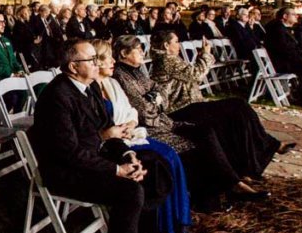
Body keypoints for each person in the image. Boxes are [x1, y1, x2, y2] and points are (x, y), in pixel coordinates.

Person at [30, 39, 172, 233]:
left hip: (92, 159)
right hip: (64, 172)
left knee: (154, 166)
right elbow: (69, 153)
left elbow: (108, 128)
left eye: (97, 59)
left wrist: (127, 155)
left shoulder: (89, 87)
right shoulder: (57, 97)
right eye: (92, 60)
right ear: (73, 66)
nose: (97, 64)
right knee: (129, 192)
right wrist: (117, 170)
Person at [114, 35, 271, 210]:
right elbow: (144, 111)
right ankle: (223, 190)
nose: (143, 53)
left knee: (209, 130)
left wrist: (155, 99)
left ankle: (232, 182)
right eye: (138, 49)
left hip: (164, 120)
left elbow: (160, 96)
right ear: (123, 53)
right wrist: (156, 99)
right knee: (196, 141)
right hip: (152, 127)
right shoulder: (121, 76)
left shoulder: (138, 71)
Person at [149, 30, 291, 180]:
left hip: (189, 105)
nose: (179, 45)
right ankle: (268, 147)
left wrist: (201, 58)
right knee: (239, 106)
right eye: (176, 42)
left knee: (236, 114)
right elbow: (196, 75)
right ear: (166, 45)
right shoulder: (166, 60)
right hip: (181, 108)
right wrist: (206, 54)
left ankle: (249, 163)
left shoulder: (168, 59)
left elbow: (189, 76)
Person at [92, 39, 189, 233]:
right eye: (108, 57)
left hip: (128, 134)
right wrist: (114, 132)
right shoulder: (90, 90)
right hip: (111, 146)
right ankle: (157, 231)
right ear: (96, 62)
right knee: (158, 161)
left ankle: (176, 221)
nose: (113, 61)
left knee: (170, 153)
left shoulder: (111, 83)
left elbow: (131, 110)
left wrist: (130, 122)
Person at [10, 4, 40, 70]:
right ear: (20, 14)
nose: (27, 14)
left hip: (28, 51)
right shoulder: (18, 25)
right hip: (23, 53)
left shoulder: (26, 24)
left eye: (27, 13)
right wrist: (33, 41)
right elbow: (20, 39)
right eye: (25, 13)